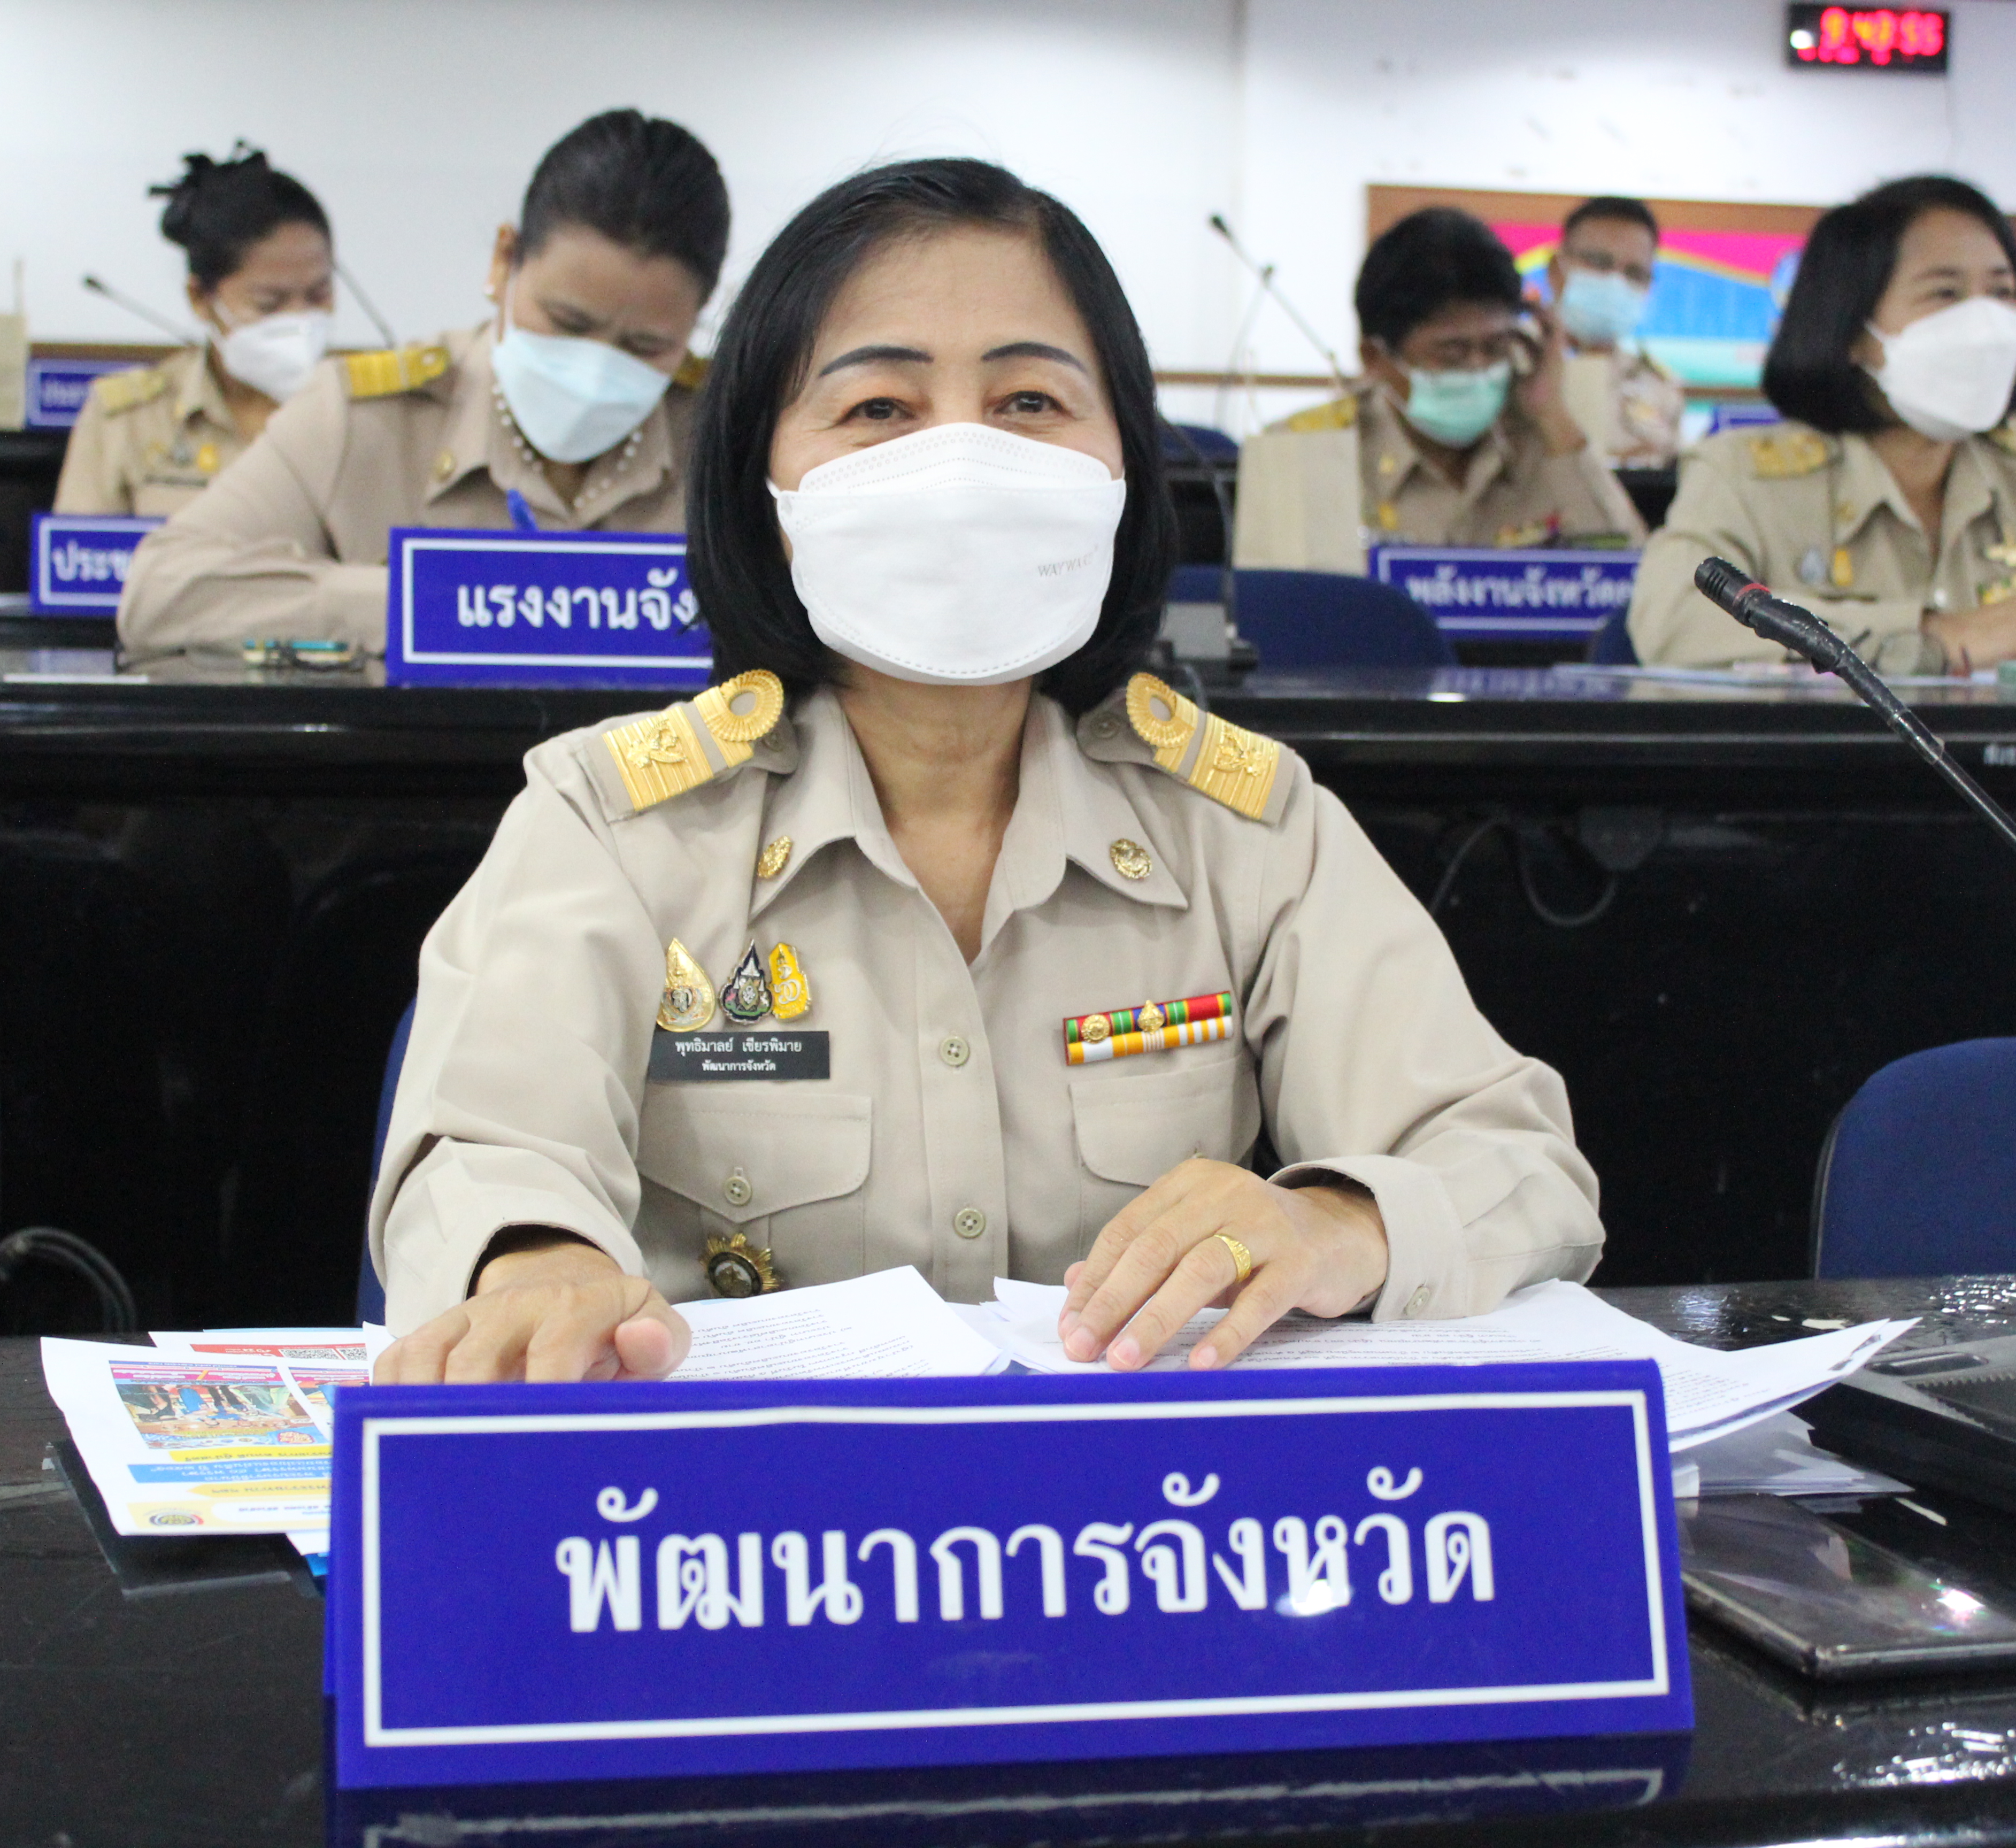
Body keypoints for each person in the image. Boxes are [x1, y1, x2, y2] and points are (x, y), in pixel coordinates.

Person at [368, 158, 1603, 1386]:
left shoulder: (1248, 823)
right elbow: (488, 1144)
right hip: (741, 1529)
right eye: (878, 411)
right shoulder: (613, 818)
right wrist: (537, 1263)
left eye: (1025, 402)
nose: (959, 461)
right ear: (768, 483)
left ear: (1119, 464)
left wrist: (1338, 1218)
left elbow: (1510, 1156)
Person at [117, 110, 727, 658]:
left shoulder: (727, 437)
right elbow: (161, 593)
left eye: (647, 346)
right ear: (503, 260)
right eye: (567, 323)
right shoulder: (362, 417)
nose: (595, 370)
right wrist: (435, 606)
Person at [1631, 176, 2016, 673]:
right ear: (1855, 330)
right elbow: (1673, 618)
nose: (1985, 325)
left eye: (2002, 292)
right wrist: (1936, 636)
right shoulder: (1745, 476)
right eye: (1946, 293)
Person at [1232, 207, 1646, 571]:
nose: (1478, 368)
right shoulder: (1304, 454)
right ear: (1374, 359)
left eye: (1496, 347)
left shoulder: (1547, 443)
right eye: (1452, 352)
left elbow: (1628, 582)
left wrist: (1552, 415)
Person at [54, 145, 336, 516]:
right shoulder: (128, 420)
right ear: (200, 298)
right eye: (269, 303)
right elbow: (79, 561)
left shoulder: (366, 415)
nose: (299, 319)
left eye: (319, 296)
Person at [1545, 196, 1685, 467]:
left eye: (1635, 273)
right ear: (1556, 272)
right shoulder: (1506, 369)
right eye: (1599, 263)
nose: (1616, 283)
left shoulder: (1659, 387)